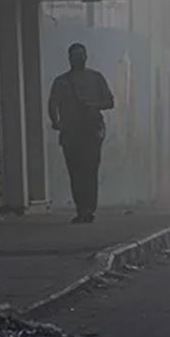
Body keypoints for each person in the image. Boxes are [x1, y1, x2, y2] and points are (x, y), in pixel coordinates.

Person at [48, 43, 115, 224]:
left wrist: (93, 105)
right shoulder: (61, 82)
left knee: (90, 171)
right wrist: (56, 122)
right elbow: (52, 104)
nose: (79, 59)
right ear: (70, 59)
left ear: (86, 57)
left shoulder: (96, 78)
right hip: (71, 133)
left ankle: (88, 209)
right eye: (76, 56)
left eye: (81, 56)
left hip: (91, 131)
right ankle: (82, 209)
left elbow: (110, 101)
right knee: (76, 172)